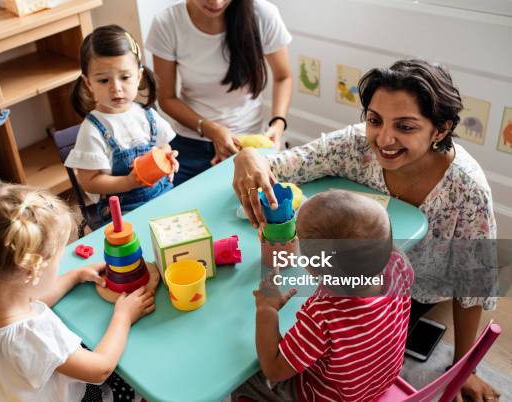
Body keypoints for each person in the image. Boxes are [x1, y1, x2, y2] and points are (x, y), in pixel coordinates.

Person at [232, 59, 499, 401]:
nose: (384, 139)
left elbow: (472, 284)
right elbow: (285, 164)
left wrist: (466, 367)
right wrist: (249, 157)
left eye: (405, 126)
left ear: (441, 130)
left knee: (265, 352)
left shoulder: (468, 189)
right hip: (378, 285)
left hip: (402, 294)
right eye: (374, 120)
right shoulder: (355, 146)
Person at [0, 182, 155, 402]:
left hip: (5, 393)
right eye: (58, 259)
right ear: (31, 271)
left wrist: (74, 276)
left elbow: (29, 298)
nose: (61, 262)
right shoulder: (34, 335)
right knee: (128, 384)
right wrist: (123, 317)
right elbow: (100, 368)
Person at [233, 190, 413, 402]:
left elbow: (274, 369)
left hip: (330, 397)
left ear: (313, 266)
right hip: (376, 383)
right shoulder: (399, 266)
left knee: (244, 380)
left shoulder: (324, 313)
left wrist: (267, 309)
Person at [146, 0, 293, 185]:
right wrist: (211, 129)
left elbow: (283, 77)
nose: (216, 2)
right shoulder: (167, 23)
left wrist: (278, 124)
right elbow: (166, 98)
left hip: (248, 141)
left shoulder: (263, 15)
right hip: (191, 141)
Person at [66, 25, 179, 228]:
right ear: (88, 83)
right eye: (103, 80)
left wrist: (167, 160)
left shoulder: (147, 115)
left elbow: (163, 147)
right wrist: (128, 182)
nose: (116, 87)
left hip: (163, 197)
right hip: (124, 213)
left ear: (138, 76)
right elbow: (89, 181)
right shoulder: (92, 130)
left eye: (125, 77)